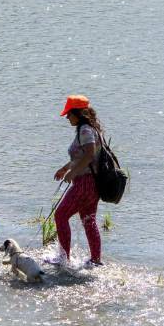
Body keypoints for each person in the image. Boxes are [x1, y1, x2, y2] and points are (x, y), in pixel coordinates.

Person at [52, 95, 104, 267]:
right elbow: (82, 156)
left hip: (84, 183)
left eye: (69, 114)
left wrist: (73, 173)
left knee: (60, 215)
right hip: (93, 185)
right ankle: (96, 261)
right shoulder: (89, 129)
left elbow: (89, 155)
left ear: (78, 113)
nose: (67, 117)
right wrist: (65, 168)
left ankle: (63, 259)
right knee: (89, 220)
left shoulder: (85, 130)